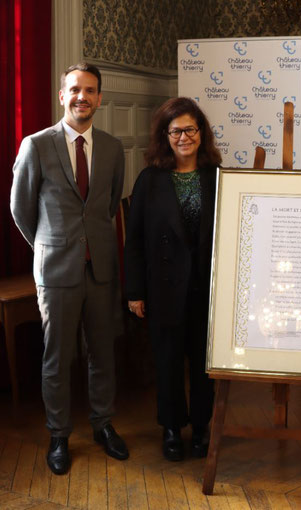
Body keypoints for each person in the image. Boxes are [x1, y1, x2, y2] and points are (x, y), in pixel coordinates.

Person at [11, 63, 128, 475]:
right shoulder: (36, 145)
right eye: (75, 89)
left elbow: (110, 204)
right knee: (57, 357)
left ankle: (103, 424)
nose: (83, 97)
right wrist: (50, 246)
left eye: (91, 90)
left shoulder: (113, 149)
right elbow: (21, 209)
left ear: (100, 97)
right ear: (63, 95)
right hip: (56, 271)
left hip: (101, 268)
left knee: (102, 353)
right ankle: (58, 434)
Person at [124, 97, 221, 461]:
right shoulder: (150, 179)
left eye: (190, 129)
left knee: (202, 364)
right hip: (163, 287)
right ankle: (170, 427)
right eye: (176, 130)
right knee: (166, 362)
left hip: (206, 288)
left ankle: (200, 427)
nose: (184, 137)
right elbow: (133, 241)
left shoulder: (216, 176)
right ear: (165, 135)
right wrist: (134, 291)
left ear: (201, 133)